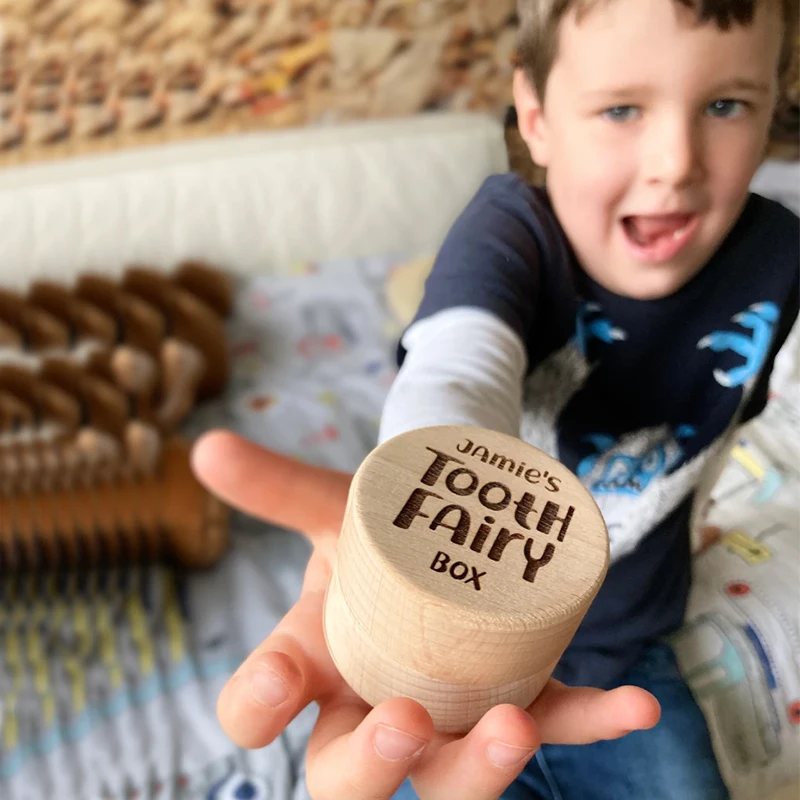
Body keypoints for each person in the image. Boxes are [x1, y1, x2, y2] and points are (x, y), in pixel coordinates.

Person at [193, 0, 799, 797]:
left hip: (626, 643)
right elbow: (457, 371)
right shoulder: (508, 234)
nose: (675, 162)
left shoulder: (778, 258)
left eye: (725, 105)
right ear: (537, 118)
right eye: (621, 108)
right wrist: (422, 519)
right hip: (447, 653)